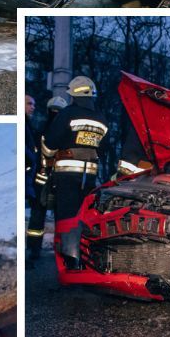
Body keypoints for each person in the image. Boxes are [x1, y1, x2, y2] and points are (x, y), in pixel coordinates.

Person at [39, 76, 111, 271]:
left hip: (67, 174)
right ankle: (85, 257)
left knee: (66, 214)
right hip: (90, 176)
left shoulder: (67, 114)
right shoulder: (102, 119)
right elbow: (104, 149)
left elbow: (50, 143)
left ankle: (70, 262)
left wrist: (48, 158)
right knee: (83, 215)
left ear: (73, 94)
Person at [26, 95, 67, 263]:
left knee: (37, 217)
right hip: (58, 182)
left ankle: (33, 251)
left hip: (40, 182)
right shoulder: (65, 132)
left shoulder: (40, 129)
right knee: (61, 218)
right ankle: (62, 252)